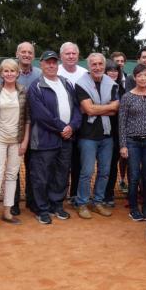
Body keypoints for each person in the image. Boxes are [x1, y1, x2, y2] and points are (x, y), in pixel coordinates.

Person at [27, 50, 82, 224]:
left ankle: (56, 204)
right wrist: (62, 128)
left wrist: (72, 126)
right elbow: (40, 115)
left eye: (53, 62)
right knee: (41, 176)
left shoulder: (66, 83)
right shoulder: (35, 86)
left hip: (66, 138)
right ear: (41, 65)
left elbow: (77, 109)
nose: (51, 65)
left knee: (61, 174)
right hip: (45, 139)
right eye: (47, 62)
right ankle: (41, 208)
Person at [0, 59, 30, 235]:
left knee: (12, 175)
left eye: (12, 71)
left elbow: (27, 119)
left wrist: (25, 141)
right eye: (5, 71)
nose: (9, 74)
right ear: (1, 74)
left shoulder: (24, 91)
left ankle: (7, 212)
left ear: (18, 73)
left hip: (16, 140)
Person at [74, 53, 119, 219]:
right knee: (86, 172)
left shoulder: (112, 84)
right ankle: (82, 203)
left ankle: (98, 202)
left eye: (100, 64)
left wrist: (96, 107)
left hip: (107, 136)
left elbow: (116, 109)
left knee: (105, 171)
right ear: (89, 66)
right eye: (94, 64)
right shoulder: (80, 84)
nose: (98, 67)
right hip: (87, 136)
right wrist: (106, 107)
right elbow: (89, 109)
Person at [119, 64, 146, 221]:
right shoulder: (127, 97)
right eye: (140, 75)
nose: (143, 78)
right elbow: (122, 123)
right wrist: (123, 145)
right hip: (132, 142)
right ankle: (133, 208)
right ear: (134, 77)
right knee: (134, 175)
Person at [57, 42, 88, 205]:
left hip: (80, 126)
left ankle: (75, 196)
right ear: (61, 56)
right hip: (59, 128)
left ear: (78, 55)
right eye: (67, 54)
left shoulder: (85, 73)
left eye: (73, 54)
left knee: (78, 163)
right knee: (60, 165)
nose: (70, 56)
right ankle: (58, 197)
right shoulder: (56, 71)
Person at [12, 41, 40, 214]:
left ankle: (32, 200)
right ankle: (13, 202)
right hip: (13, 127)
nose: (27, 55)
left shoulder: (40, 74)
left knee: (34, 166)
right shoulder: (9, 72)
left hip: (36, 127)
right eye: (23, 51)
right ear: (17, 53)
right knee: (13, 167)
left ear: (33, 56)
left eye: (30, 52)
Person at [103, 59, 126, 207]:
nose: (112, 72)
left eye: (115, 70)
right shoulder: (100, 87)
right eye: (110, 70)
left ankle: (109, 194)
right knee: (103, 166)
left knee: (112, 166)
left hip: (118, 134)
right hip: (102, 133)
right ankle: (100, 194)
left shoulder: (122, 90)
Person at [110, 51, 129, 194]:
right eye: (117, 61)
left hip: (121, 129)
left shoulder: (125, 83)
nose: (119, 64)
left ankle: (121, 182)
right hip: (105, 130)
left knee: (121, 159)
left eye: (122, 61)